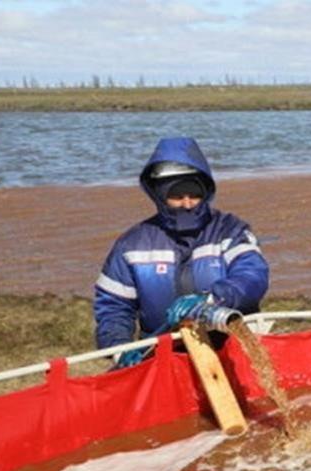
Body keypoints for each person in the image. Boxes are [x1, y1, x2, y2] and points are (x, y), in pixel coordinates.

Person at [94, 137, 269, 366]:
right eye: (177, 196)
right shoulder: (131, 245)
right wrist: (120, 348)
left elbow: (252, 276)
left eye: (194, 194)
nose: (187, 203)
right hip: (162, 357)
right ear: (159, 195)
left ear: (206, 191)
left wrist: (212, 298)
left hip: (232, 349)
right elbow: (114, 307)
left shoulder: (231, 231)